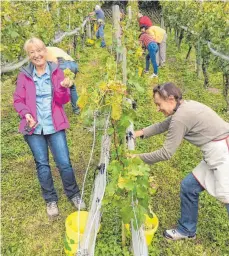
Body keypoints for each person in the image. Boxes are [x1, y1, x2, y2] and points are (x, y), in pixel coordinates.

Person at [131, 82, 229, 240]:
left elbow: (166, 153)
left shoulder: (181, 117)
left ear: (170, 99)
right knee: (189, 186)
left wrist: (136, 158)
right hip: (215, 151)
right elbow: (165, 124)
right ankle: (187, 230)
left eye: (158, 104)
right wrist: (141, 132)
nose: (157, 108)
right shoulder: (184, 107)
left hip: (224, 153)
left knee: (227, 197)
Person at [13, 37, 86, 218]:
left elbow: (63, 100)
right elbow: (18, 100)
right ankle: (50, 199)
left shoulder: (56, 71)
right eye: (32, 52)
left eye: (39, 50)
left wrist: (63, 88)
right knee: (42, 165)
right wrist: (26, 114)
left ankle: (74, 194)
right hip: (34, 127)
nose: (37, 55)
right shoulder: (24, 75)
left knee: (64, 162)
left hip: (54, 123)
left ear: (45, 51)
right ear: (29, 56)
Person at [46, 46, 80, 114]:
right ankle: (77, 110)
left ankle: (60, 114)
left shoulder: (41, 52)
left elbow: (54, 62)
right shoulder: (53, 48)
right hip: (73, 64)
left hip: (62, 63)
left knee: (60, 88)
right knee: (71, 86)